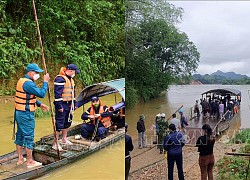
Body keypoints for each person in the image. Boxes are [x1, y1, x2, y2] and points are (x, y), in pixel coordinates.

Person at [14, 63, 50, 168]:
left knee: (20, 135)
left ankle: (20, 158)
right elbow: (42, 93)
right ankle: (30, 161)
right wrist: (45, 82)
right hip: (26, 114)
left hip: (19, 112)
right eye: (36, 73)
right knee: (29, 137)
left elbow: (27, 97)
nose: (37, 75)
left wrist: (39, 104)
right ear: (30, 73)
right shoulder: (29, 84)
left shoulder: (22, 80)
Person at [52, 64, 80, 151]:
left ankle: (64, 139)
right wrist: (59, 106)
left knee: (68, 122)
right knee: (59, 124)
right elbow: (57, 94)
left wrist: (74, 103)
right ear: (71, 71)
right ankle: (55, 143)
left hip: (69, 104)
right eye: (74, 72)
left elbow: (72, 93)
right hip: (62, 104)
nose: (74, 74)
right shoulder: (60, 79)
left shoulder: (71, 79)